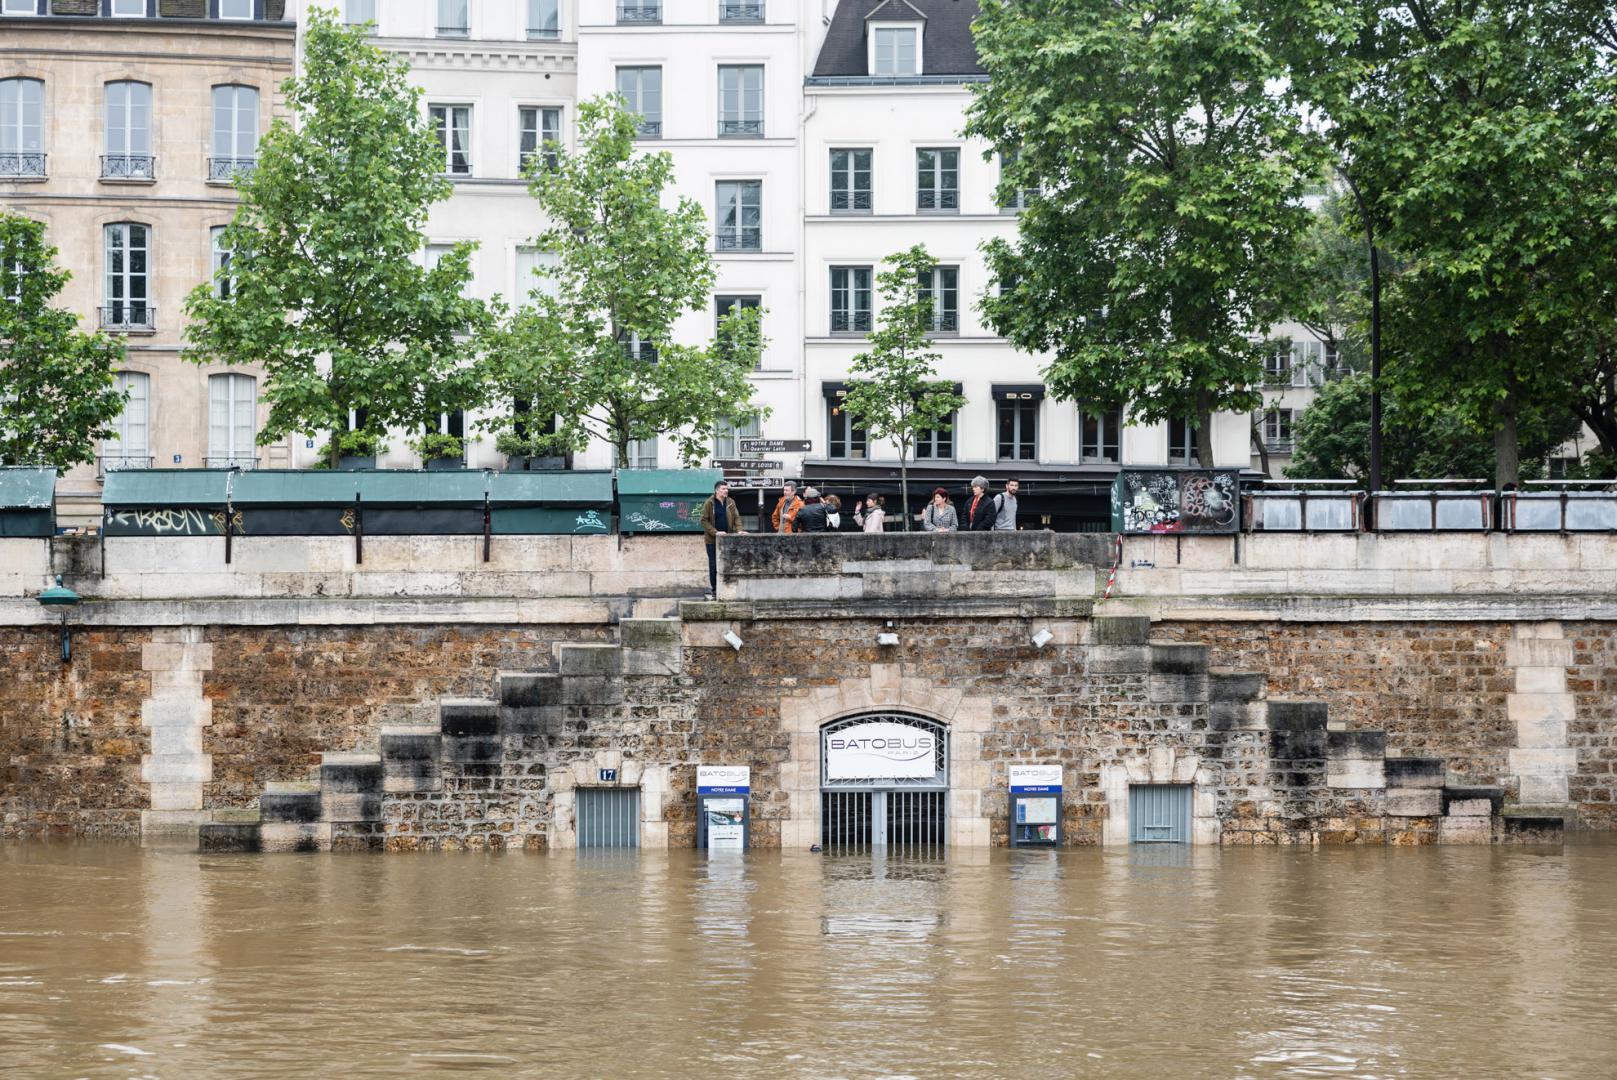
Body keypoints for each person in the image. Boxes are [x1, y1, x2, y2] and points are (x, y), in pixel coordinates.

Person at [698, 480, 743, 598]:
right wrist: (716, 532)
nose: (726, 490)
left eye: (727, 489)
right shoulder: (709, 503)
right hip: (712, 540)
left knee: (729, 564)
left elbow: (737, 517)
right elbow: (703, 520)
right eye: (723, 489)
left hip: (727, 540)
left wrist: (739, 530)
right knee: (713, 564)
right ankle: (715, 589)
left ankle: (728, 588)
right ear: (717, 491)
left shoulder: (731, 502)